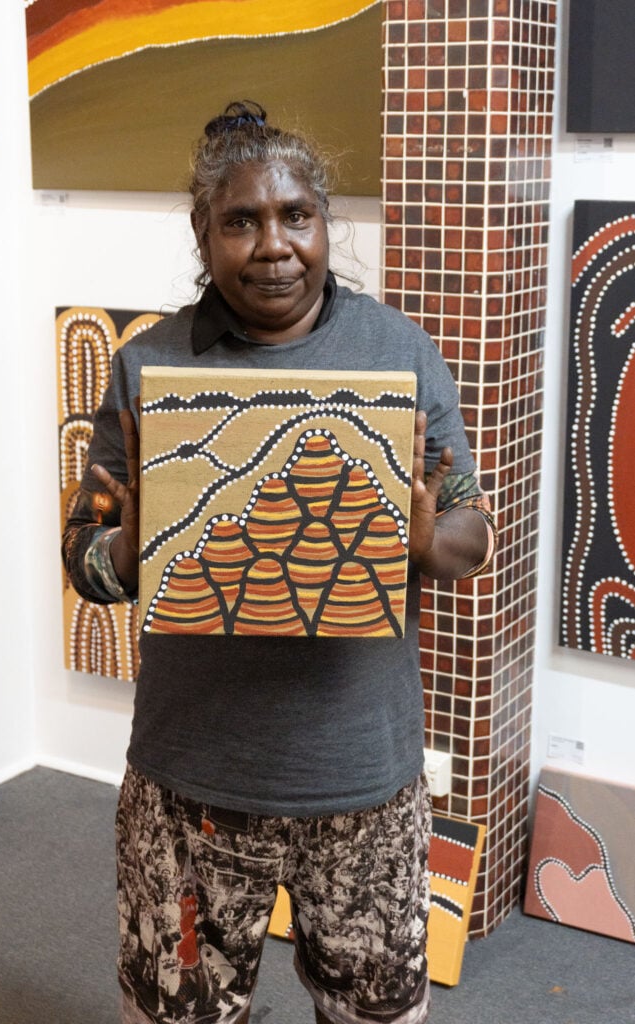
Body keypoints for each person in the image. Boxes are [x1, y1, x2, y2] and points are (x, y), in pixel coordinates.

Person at [63, 100, 496, 1024]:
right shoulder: (149, 367)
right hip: (190, 783)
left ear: (325, 221)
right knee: (179, 1015)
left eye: (295, 215)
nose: (273, 246)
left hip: (363, 782)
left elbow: (471, 535)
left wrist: (424, 538)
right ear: (202, 232)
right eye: (241, 221)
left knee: (375, 1015)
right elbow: (85, 562)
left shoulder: (396, 351)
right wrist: (135, 543)